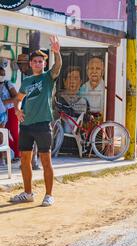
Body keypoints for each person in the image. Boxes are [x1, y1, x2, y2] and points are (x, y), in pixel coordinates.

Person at [9, 35, 62, 207]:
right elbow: (18, 98)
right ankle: (27, 193)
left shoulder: (47, 78)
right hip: (26, 126)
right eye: (35, 61)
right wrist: (17, 110)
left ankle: (49, 195)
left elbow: (58, 67)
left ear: (44, 64)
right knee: (25, 160)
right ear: (30, 64)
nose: (38, 63)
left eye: (41, 61)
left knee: (46, 160)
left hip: (42, 125)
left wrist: (57, 53)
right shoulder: (27, 81)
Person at [58, 66, 90, 133]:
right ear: (64, 81)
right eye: (69, 77)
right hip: (62, 136)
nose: (72, 81)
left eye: (76, 78)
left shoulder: (84, 101)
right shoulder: (58, 99)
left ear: (80, 82)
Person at [0, 65, 18, 164]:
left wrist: (5, 102)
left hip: (10, 110)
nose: (1, 76)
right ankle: (4, 156)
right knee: (2, 134)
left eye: (3, 74)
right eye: (0, 74)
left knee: (14, 132)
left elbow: (16, 97)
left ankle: (17, 154)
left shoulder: (8, 84)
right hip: (1, 112)